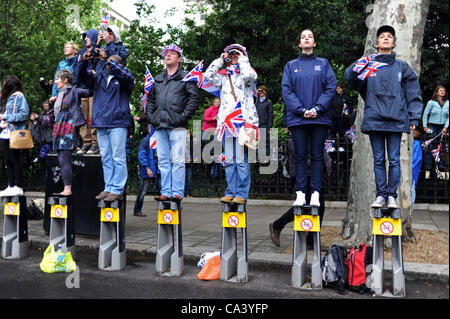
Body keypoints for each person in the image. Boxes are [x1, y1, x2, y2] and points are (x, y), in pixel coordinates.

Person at [345, 25, 423, 209]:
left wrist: (414, 118)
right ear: (377, 42)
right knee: (379, 159)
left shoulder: (402, 67)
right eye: (382, 37)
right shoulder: (370, 66)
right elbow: (352, 80)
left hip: (396, 120)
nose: (386, 38)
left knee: (394, 160)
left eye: (389, 36)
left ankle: (392, 196)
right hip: (375, 120)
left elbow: (413, 93)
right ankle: (381, 195)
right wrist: (365, 60)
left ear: (394, 42)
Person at [282, 28, 336, 208]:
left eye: (310, 37)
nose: (306, 39)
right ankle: (300, 192)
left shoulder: (324, 64)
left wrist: (318, 108)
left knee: (317, 156)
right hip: (298, 119)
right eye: (303, 37)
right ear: (299, 43)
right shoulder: (291, 66)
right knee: (299, 155)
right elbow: (287, 90)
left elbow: (330, 88)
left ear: (314, 43)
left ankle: (315, 192)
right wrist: (301, 110)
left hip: (319, 119)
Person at [204, 43, 259, 204]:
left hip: (243, 122)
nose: (234, 55)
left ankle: (241, 193)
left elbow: (250, 76)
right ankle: (230, 191)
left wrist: (243, 60)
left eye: (237, 53)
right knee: (229, 160)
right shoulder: (223, 75)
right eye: (231, 54)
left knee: (241, 160)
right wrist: (221, 60)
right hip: (227, 123)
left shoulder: (247, 72)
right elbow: (208, 75)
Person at [78, 52, 134, 202]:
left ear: (120, 65)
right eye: (108, 63)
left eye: (112, 63)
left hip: (117, 123)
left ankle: (118, 189)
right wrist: (83, 61)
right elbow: (81, 77)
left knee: (118, 157)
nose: (109, 65)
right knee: (106, 158)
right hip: (101, 123)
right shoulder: (99, 78)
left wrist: (107, 59)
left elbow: (123, 73)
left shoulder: (125, 78)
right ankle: (109, 187)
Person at [147, 44, 199, 202]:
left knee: (177, 160)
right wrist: (151, 117)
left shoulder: (186, 77)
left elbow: (193, 99)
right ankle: (166, 191)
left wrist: (182, 117)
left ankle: (177, 192)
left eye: (172, 53)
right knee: (163, 160)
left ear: (179, 58)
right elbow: (150, 99)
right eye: (166, 53)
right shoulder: (158, 78)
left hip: (177, 126)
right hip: (160, 125)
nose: (167, 55)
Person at [51, 69, 91, 196]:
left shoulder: (74, 90)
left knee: (64, 158)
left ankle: (68, 189)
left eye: (58, 79)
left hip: (68, 125)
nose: (56, 81)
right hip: (58, 125)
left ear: (65, 80)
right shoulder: (59, 94)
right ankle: (66, 187)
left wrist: (89, 76)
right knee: (60, 157)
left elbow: (90, 91)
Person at [0, 75, 30, 197]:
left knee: (15, 160)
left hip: (15, 132)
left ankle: (18, 186)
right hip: (6, 133)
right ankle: (10, 185)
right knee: (8, 160)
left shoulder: (19, 96)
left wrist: (5, 117)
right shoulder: (8, 98)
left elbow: (23, 114)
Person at [73, 29, 100, 155]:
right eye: (84, 37)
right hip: (82, 89)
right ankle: (86, 142)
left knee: (93, 116)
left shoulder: (98, 50)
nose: (85, 39)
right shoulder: (81, 53)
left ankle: (95, 143)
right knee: (82, 118)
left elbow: (98, 69)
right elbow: (77, 72)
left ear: (94, 37)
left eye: (88, 37)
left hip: (94, 89)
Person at [133, 126, 161, 217]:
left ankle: (162, 207)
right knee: (144, 191)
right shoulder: (146, 140)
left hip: (154, 169)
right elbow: (142, 155)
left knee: (161, 189)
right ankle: (137, 210)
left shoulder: (152, 140)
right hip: (149, 170)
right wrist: (147, 168)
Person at [422, 85, 449, 175]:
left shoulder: (448, 103)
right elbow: (425, 114)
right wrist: (425, 126)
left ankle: (441, 165)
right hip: (432, 126)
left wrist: (446, 126)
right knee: (430, 145)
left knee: (441, 146)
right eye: (440, 90)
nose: (442, 92)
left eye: (443, 90)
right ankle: (428, 166)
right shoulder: (431, 102)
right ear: (436, 92)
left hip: (442, 127)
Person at [254, 85, 274, 156]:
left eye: (263, 91)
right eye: (260, 91)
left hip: (264, 125)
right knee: (257, 142)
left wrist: (269, 127)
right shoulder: (256, 102)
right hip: (256, 125)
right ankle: (258, 160)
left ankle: (266, 159)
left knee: (265, 142)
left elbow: (271, 115)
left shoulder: (268, 102)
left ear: (265, 92)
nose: (261, 92)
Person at [411, 128, 423, 207]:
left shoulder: (416, 145)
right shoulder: (415, 144)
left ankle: (411, 205)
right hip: (412, 170)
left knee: (412, 187)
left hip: (412, 171)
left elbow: (417, 160)